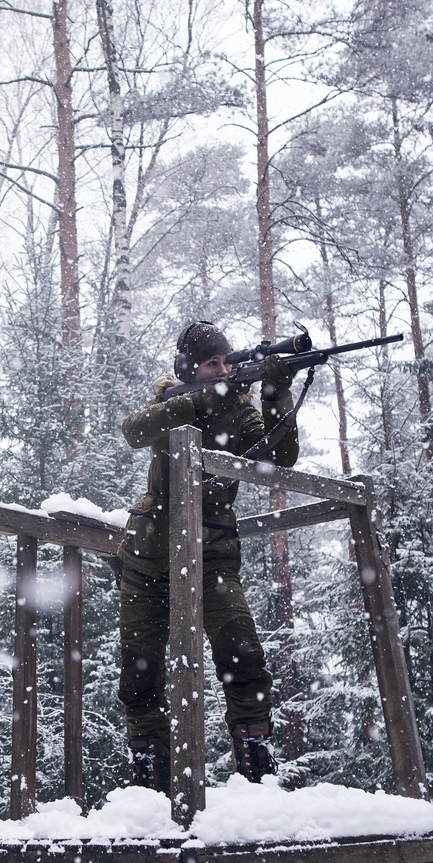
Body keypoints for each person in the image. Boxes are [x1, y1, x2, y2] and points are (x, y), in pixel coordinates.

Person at [115, 320, 300, 792]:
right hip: (148, 557)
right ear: (190, 369)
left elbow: (282, 457)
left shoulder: (239, 408)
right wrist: (204, 397)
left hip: (213, 553)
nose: (223, 369)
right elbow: (135, 430)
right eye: (211, 363)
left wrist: (276, 392)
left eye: (225, 361)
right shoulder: (174, 401)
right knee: (140, 680)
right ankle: (151, 796)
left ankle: (257, 786)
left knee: (244, 659)